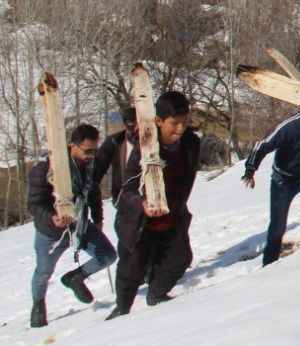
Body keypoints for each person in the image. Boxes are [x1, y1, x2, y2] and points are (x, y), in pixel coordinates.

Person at [109, 91, 201, 320]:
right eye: (174, 123)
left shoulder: (191, 143)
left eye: (184, 122)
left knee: (179, 259)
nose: (180, 129)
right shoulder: (144, 146)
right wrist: (142, 204)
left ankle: (156, 295)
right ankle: (122, 310)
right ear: (159, 121)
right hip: (140, 221)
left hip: (172, 214)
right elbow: (127, 189)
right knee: (132, 269)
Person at [28, 124, 117, 328]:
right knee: (44, 271)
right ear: (73, 146)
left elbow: (92, 191)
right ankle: (38, 305)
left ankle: (75, 278)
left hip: (79, 223)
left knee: (107, 255)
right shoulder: (45, 168)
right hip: (51, 230)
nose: (91, 156)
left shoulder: (89, 166)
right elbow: (34, 204)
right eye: (87, 151)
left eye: (94, 151)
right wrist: (52, 218)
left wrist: (98, 218)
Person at [242, 108, 300, 266]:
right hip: (284, 179)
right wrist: (250, 169)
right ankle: (269, 264)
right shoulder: (291, 126)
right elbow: (263, 145)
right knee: (278, 226)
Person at [92, 106, 138, 203]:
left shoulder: (157, 141)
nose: (135, 129)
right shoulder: (114, 142)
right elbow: (96, 171)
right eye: (131, 124)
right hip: (124, 200)